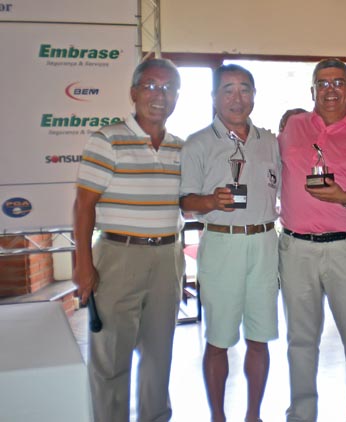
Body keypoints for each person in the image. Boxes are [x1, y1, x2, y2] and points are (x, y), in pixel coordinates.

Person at [73, 58, 185, 422]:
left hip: (167, 257)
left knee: (159, 353)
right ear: (134, 92)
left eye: (168, 88)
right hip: (118, 256)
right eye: (151, 86)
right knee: (111, 357)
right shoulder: (106, 140)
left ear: (177, 97)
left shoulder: (181, 148)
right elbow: (83, 207)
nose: (159, 95)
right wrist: (83, 265)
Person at [279, 58, 346, 422]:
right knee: (301, 342)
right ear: (312, 91)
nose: (331, 89)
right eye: (323, 83)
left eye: (339, 82)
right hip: (296, 250)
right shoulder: (291, 126)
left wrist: (345, 196)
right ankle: (301, 416)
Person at [180, 64, 281, 422]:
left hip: (265, 243)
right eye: (228, 90)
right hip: (222, 245)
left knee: (261, 336)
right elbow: (184, 202)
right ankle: (218, 416)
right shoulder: (197, 144)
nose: (237, 98)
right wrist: (209, 201)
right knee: (219, 339)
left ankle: (254, 414)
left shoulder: (269, 142)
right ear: (214, 98)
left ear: (253, 95)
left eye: (244, 89)